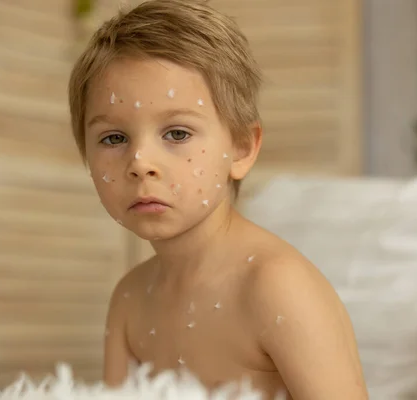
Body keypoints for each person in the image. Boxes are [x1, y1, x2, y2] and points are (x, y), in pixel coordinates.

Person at [68, 0, 367, 398]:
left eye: (176, 134)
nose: (140, 163)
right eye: (114, 138)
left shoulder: (275, 287)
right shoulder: (130, 299)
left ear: (241, 148)